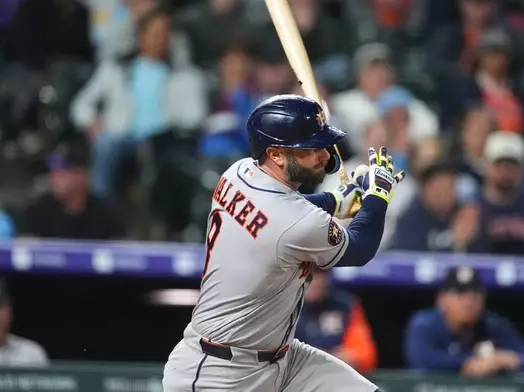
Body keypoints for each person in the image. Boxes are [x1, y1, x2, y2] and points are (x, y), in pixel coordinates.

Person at [162, 94, 404, 392]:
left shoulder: (238, 173)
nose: (325, 155)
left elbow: (285, 209)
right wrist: (378, 197)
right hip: (220, 376)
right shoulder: (298, 223)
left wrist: (336, 200)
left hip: (285, 359)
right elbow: (359, 247)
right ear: (276, 154)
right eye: (311, 148)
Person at [403, 266, 524, 376]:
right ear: (441, 299)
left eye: (475, 292)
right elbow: (423, 363)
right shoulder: (425, 324)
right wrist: (470, 362)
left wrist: (498, 360)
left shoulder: (493, 325)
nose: (469, 300)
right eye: (460, 293)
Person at [23, 140, 127, 240]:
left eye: (62, 172)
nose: (54, 178)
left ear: (80, 175)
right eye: (53, 171)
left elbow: (119, 251)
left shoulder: (106, 214)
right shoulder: (38, 211)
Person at [296, 268, 378, 375]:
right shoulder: (282, 307)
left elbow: (365, 356)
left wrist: (342, 357)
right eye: (308, 274)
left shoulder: (345, 306)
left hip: (334, 377)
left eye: (321, 274)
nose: (315, 281)